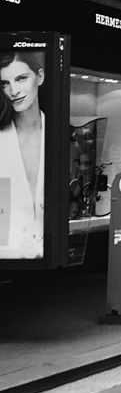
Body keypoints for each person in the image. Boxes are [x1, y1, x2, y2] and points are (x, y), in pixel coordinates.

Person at [0, 51, 46, 260]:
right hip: (7, 255)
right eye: (5, 84)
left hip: (53, 265)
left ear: (40, 76)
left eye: (21, 78)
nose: (13, 91)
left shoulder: (58, 134)